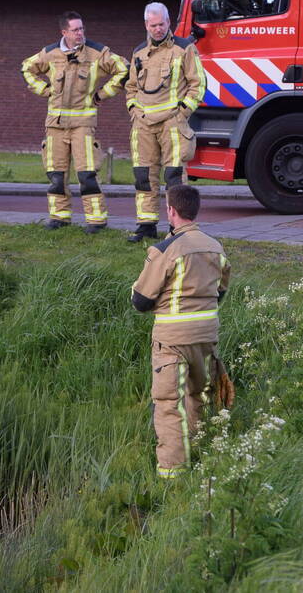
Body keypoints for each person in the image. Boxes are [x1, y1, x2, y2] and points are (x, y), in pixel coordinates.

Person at [130, 185, 231, 478]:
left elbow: (141, 300)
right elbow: (220, 292)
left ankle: (172, 476)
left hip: (172, 340)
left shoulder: (164, 249)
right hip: (207, 335)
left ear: (171, 211)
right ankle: (200, 458)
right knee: (198, 396)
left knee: (168, 406)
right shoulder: (216, 246)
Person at [21, 11, 128, 232]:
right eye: (76, 30)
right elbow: (26, 68)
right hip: (55, 125)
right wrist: (44, 90)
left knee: (87, 174)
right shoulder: (50, 53)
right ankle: (59, 217)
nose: (81, 33)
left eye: (82, 29)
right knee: (56, 175)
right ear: (64, 32)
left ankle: (96, 220)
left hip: (83, 124)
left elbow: (124, 68)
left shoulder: (97, 53)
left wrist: (102, 94)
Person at [124, 3, 206, 242]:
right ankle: (146, 225)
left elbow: (198, 83)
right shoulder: (138, 52)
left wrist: (182, 113)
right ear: (146, 25)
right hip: (143, 125)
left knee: (174, 176)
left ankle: (177, 229)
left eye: (161, 24)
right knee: (143, 175)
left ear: (169, 22)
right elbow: (130, 87)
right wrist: (133, 110)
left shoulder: (184, 48)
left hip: (172, 123)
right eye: (153, 25)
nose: (158, 29)